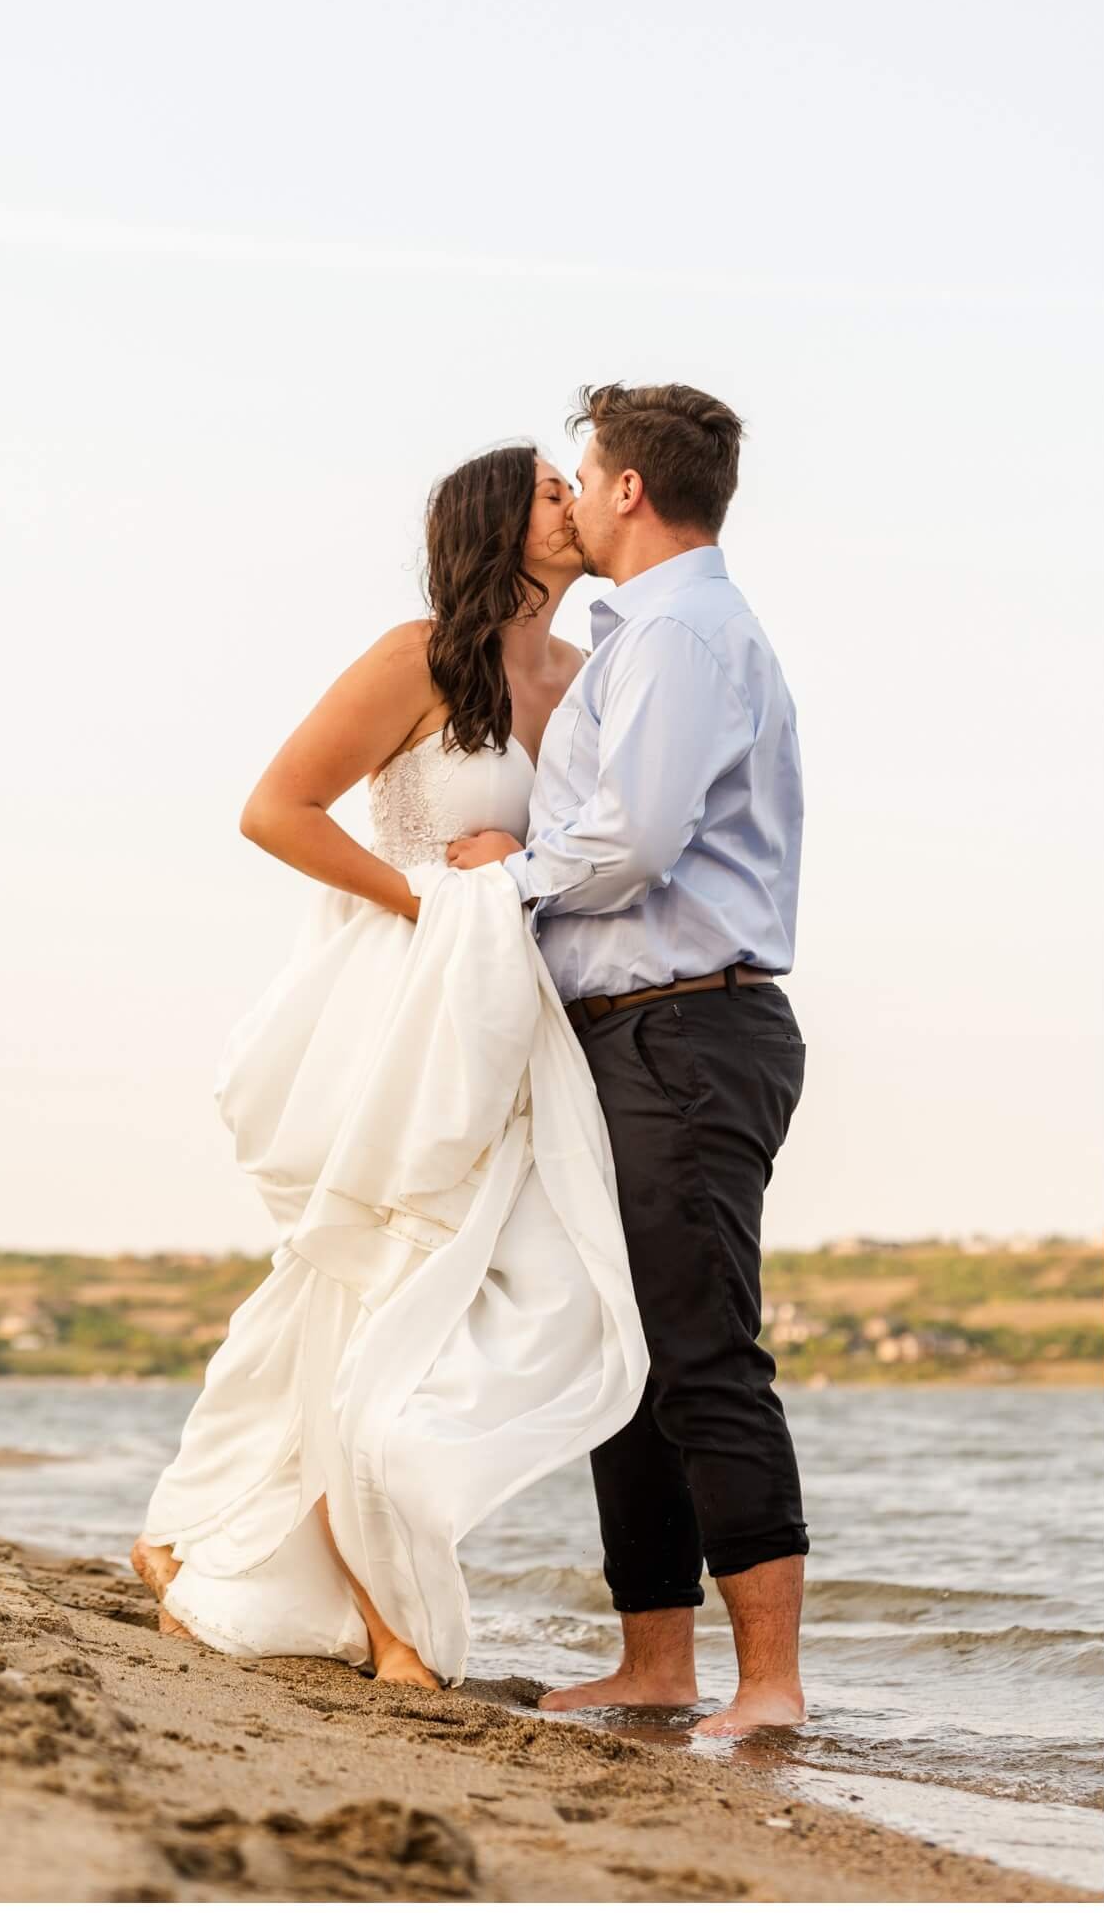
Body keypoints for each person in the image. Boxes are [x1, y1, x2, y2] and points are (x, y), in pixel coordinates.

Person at [130, 440, 649, 1690]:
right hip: (398, 996)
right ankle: (381, 1616)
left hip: (511, 1014)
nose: (570, 502)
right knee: (379, 1274)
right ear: (494, 520)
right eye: (545, 489)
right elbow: (275, 809)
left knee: (506, 1300)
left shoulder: (586, 681)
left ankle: (238, 1527)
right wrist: (425, 905)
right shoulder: (418, 653)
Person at [449, 382, 809, 1735]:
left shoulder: (680, 633)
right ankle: (657, 1661)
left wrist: (511, 875)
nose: (575, 494)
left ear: (627, 491)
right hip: (633, 1032)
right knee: (628, 1346)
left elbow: (636, 838)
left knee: (704, 1347)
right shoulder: (650, 631)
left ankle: (767, 1680)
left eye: (583, 473)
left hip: (688, 1026)